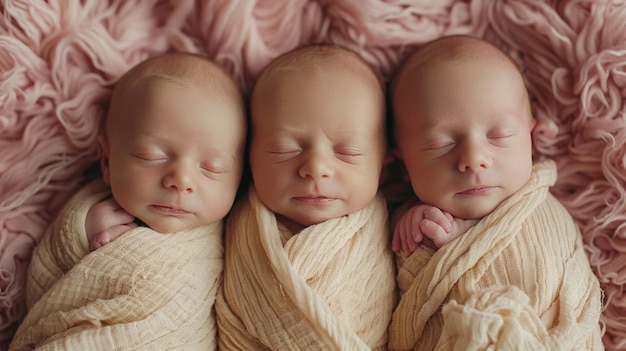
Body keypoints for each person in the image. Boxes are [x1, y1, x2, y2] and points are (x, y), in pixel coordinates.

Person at [10, 52, 246, 351]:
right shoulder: (93, 209)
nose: (181, 181)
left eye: (212, 167)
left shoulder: (236, 230)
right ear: (107, 162)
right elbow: (46, 277)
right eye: (152, 157)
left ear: (239, 178)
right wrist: (83, 230)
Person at [387, 35, 604, 350]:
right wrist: (412, 236)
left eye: (500, 135)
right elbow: (408, 295)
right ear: (404, 164)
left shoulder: (536, 199)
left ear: (532, 137)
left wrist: (467, 241)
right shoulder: (409, 220)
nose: (474, 159)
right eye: (441, 144)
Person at [215, 44, 397, 350]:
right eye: (285, 150)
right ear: (248, 159)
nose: (315, 168)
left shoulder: (399, 219)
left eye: (348, 152)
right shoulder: (225, 210)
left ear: (384, 168)